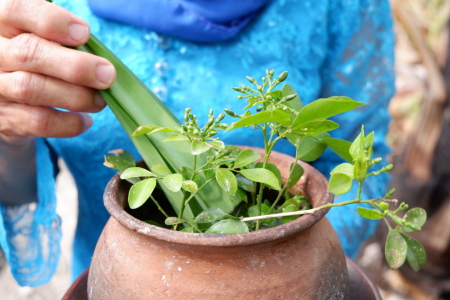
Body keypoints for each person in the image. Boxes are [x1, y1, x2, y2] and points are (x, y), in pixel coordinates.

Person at [0, 0, 395, 286]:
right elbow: (23, 185)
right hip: (115, 278)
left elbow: (364, 166)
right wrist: (9, 133)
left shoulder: (342, 7)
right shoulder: (46, 10)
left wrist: (287, 267)